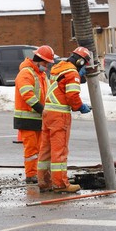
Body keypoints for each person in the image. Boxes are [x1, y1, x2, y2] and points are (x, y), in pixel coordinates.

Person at [37, 46, 92, 193]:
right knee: (59, 151)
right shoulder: (72, 73)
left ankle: (44, 181)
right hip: (59, 115)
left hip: (48, 113)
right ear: (80, 61)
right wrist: (80, 106)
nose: (84, 69)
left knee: (46, 149)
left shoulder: (58, 68)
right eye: (85, 65)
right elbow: (72, 95)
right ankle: (60, 183)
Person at [14, 45, 55, 184]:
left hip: (37, 118)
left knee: (39, 148)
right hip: (27, 118)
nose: (47, 67)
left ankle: (38, 173)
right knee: (32, 149)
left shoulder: (41, 75)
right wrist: (41, 109)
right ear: (39, 60)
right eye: (46, 63)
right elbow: (27, 95)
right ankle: (31, 175)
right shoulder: (26, 73)